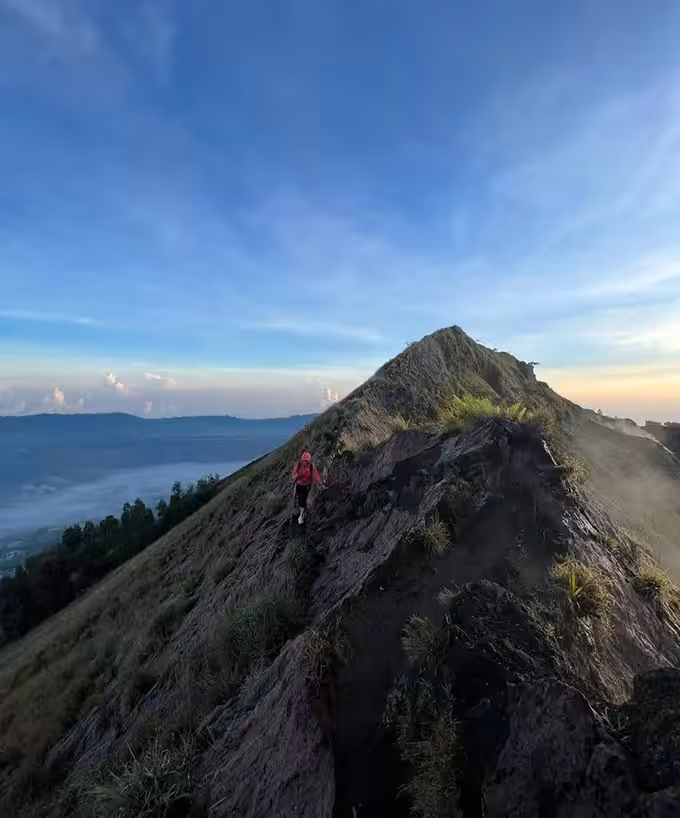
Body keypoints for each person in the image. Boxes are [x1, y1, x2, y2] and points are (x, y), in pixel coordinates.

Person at [292, 451, 323, 524]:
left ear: (309, 460)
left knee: (305, 499)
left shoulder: (311, 466)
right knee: (301, 499)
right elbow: (293, 475)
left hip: (307, 486)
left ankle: (303, 513)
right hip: (299, 486)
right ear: (302, 460)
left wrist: (320, 483)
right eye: (304, 461)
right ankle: (301, 515)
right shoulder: (298, 466)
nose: (305, 462)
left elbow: (316, 475)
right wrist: (295, 476)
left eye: (307, 461)